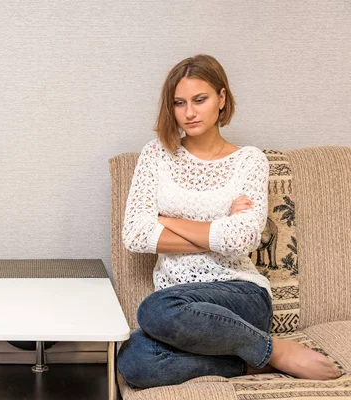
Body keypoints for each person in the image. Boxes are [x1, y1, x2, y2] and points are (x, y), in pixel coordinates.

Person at [117, 54, 341, 388]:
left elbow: (243, 240)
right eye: (179, 103)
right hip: (181, 306)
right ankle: (258, 360)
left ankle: (270, 349)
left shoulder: (249, 160)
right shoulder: (157, 154)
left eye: (200, 100)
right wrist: (220, 226)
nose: (189, 113)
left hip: (240, 296)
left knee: (153, 309)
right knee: (134, 360)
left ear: (221, 99)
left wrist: (165, 220)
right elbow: (135, 235)